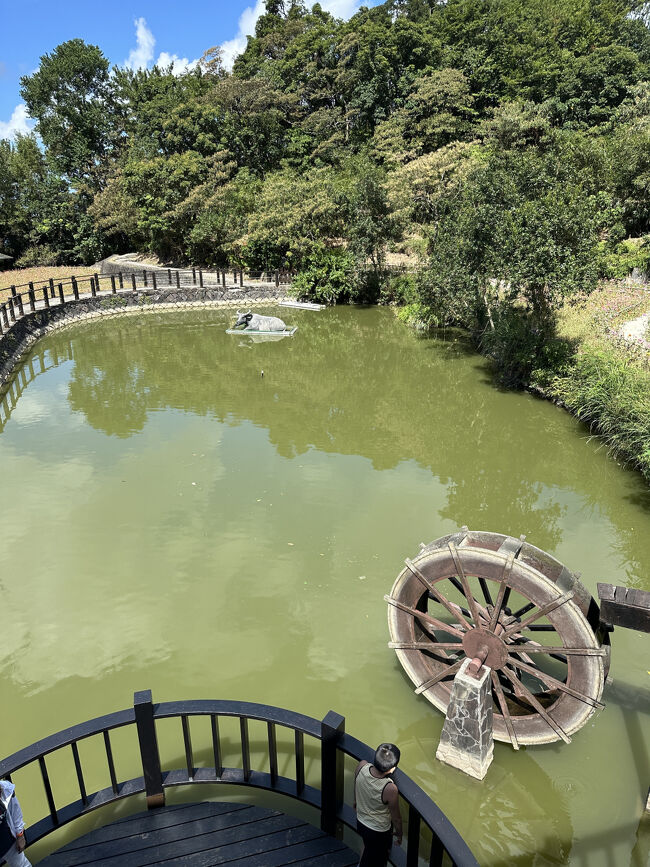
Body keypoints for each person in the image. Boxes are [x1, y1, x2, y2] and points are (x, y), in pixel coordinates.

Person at [353, 743, 403, 867]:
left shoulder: (362, 766)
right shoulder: (389, 788)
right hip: (378, 831)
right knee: (379, 859)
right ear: (392, 769)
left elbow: (356, 786)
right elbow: (396, 818)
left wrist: (355, 801)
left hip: (361, 821)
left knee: (367, 846)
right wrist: (399, 833)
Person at [0, 780, 31, 867]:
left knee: (22, 865)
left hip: (7, 841)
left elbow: (15, 811)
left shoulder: (4, 788)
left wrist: (20, 835)